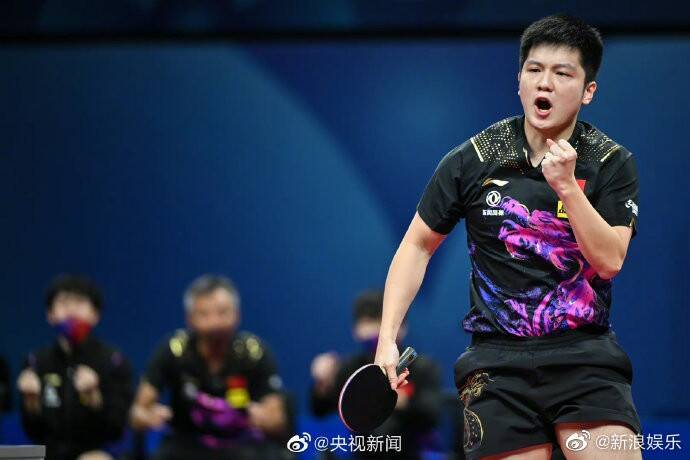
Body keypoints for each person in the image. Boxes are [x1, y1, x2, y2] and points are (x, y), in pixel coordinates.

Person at [373, 15, 641, 460]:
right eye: (534, 70)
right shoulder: (473, 158)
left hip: (585, 359)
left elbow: (610, 260)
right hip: (497, 367)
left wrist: (567, 187)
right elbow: (417, 246)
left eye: (562, 73)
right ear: (519, 81)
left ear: (588, 91)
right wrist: (387, 339)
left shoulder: (610, 162)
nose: (545, 83)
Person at [130, 274, 291, 460]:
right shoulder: (174, 350)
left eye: (222, 313)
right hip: (186, 445)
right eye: (204, 314)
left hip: (243, 445)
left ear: (237, 315)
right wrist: (147, 417)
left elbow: (277, 420)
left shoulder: (254, 353)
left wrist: (263, 418)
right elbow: (137, 412)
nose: (214, 323)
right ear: (189, 319)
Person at [310, 290, 442, 459]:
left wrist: (400, 401)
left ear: (402, 326)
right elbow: (320, 409)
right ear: (356, 329)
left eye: (381, 321)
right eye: (368, 321)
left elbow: (432, 414)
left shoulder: (421, 366)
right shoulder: (351, 368)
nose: (376, 330)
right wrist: (323, 383)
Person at [17, 275, 133, 460]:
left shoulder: (113, 361)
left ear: (95, 314)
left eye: (79, 303)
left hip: (99, 452)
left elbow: (117, 431)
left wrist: (94, 397)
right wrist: (32, 403)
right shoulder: (36, 362)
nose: (71, 311)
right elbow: (34, 433)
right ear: (50, 315)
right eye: (63, 303)